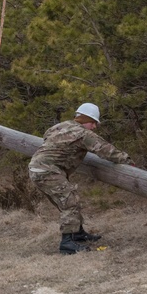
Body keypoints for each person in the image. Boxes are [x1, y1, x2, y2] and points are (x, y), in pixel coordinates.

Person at [28, 102, 133, 255]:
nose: (95, 127)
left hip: (37, 168)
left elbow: (47, 138)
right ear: (86, 120)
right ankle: (68, 243)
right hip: (49, 171)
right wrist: (127, 160)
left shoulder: (59, 127)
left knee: (68, 202)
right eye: (94, 123)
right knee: (70, 202)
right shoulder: (83, 133)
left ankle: (77, 233)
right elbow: (105, 150)